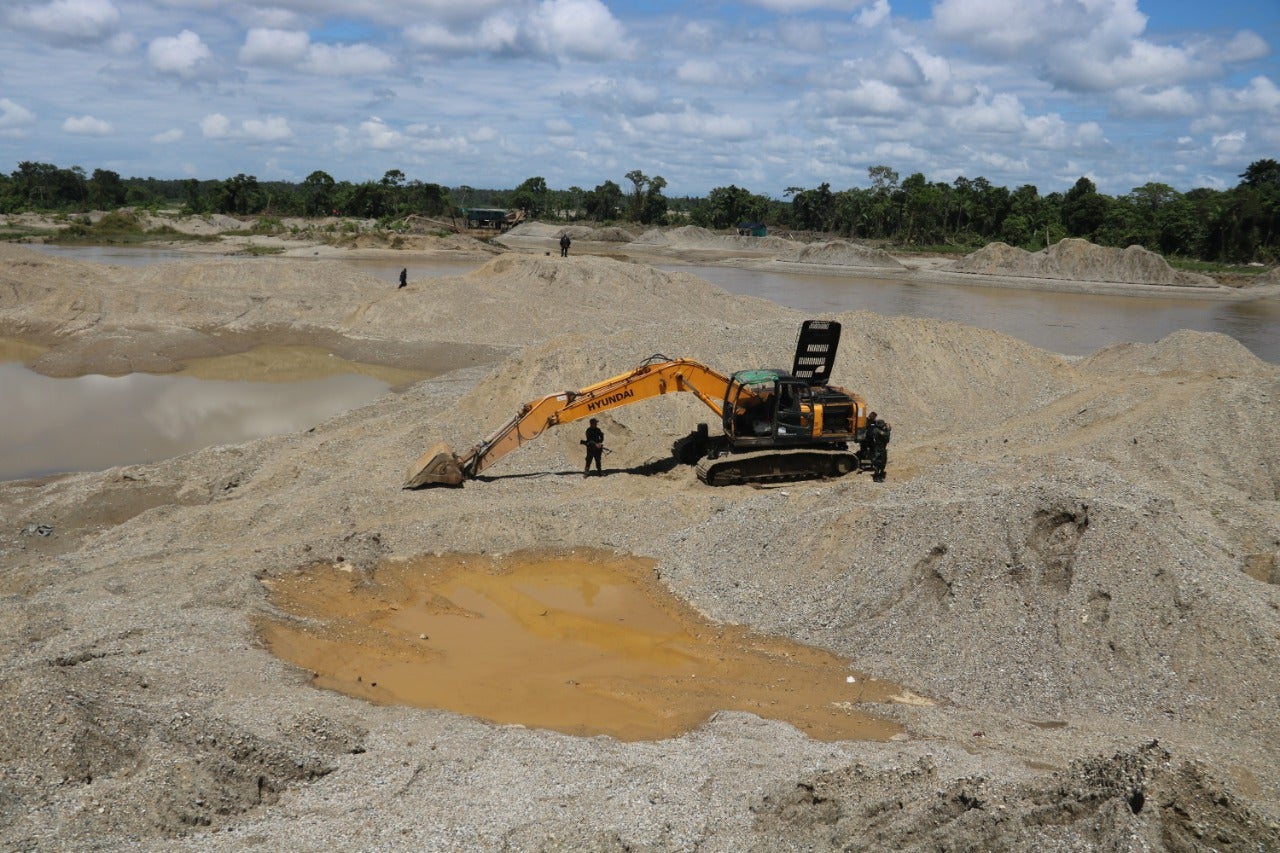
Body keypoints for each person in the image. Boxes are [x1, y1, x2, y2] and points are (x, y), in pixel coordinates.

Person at [866, 414, 890, 482]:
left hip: (882, 449)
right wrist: (888, 429)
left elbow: (886, 437)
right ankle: (876, 477)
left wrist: (887, 429)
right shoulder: (876, 430)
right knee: (878, 462)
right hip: (878, 449)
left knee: (883, 462)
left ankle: (881, 474)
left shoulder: (878, 430)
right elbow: (885, 435)